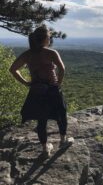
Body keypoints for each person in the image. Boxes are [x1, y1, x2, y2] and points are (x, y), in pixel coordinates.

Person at [9, 25, 73, 158]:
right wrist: (58, 84)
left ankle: (45, 149)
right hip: (52, 89)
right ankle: (63, 140)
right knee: (61, 113)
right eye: (49, 37)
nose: (50, 39)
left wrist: (26, 83)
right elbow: (62, 69)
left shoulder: (28, 54)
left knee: (41, 120)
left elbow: (13, 69)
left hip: (37, 90)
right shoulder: (51, 53)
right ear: (44, 39)